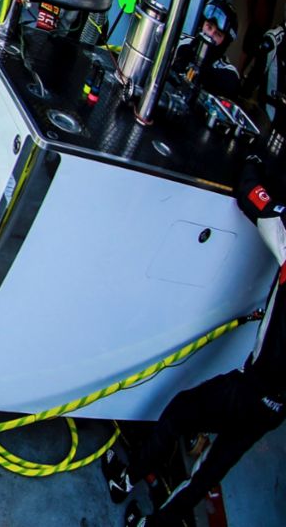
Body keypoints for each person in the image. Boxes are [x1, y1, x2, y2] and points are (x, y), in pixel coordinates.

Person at [101, 157, 286, 527]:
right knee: (207, 473)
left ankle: (125, 479)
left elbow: (254, 196)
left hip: (249, 390)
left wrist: (252, 160)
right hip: (275, 408)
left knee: (181, 412)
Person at [171, 0, 241, 99]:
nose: (210, 35)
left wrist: (203, 71)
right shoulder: (180, 42)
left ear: (225, 42)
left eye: (217, 34)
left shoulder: (228, 72)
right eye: (209, 27)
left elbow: (231, 85)